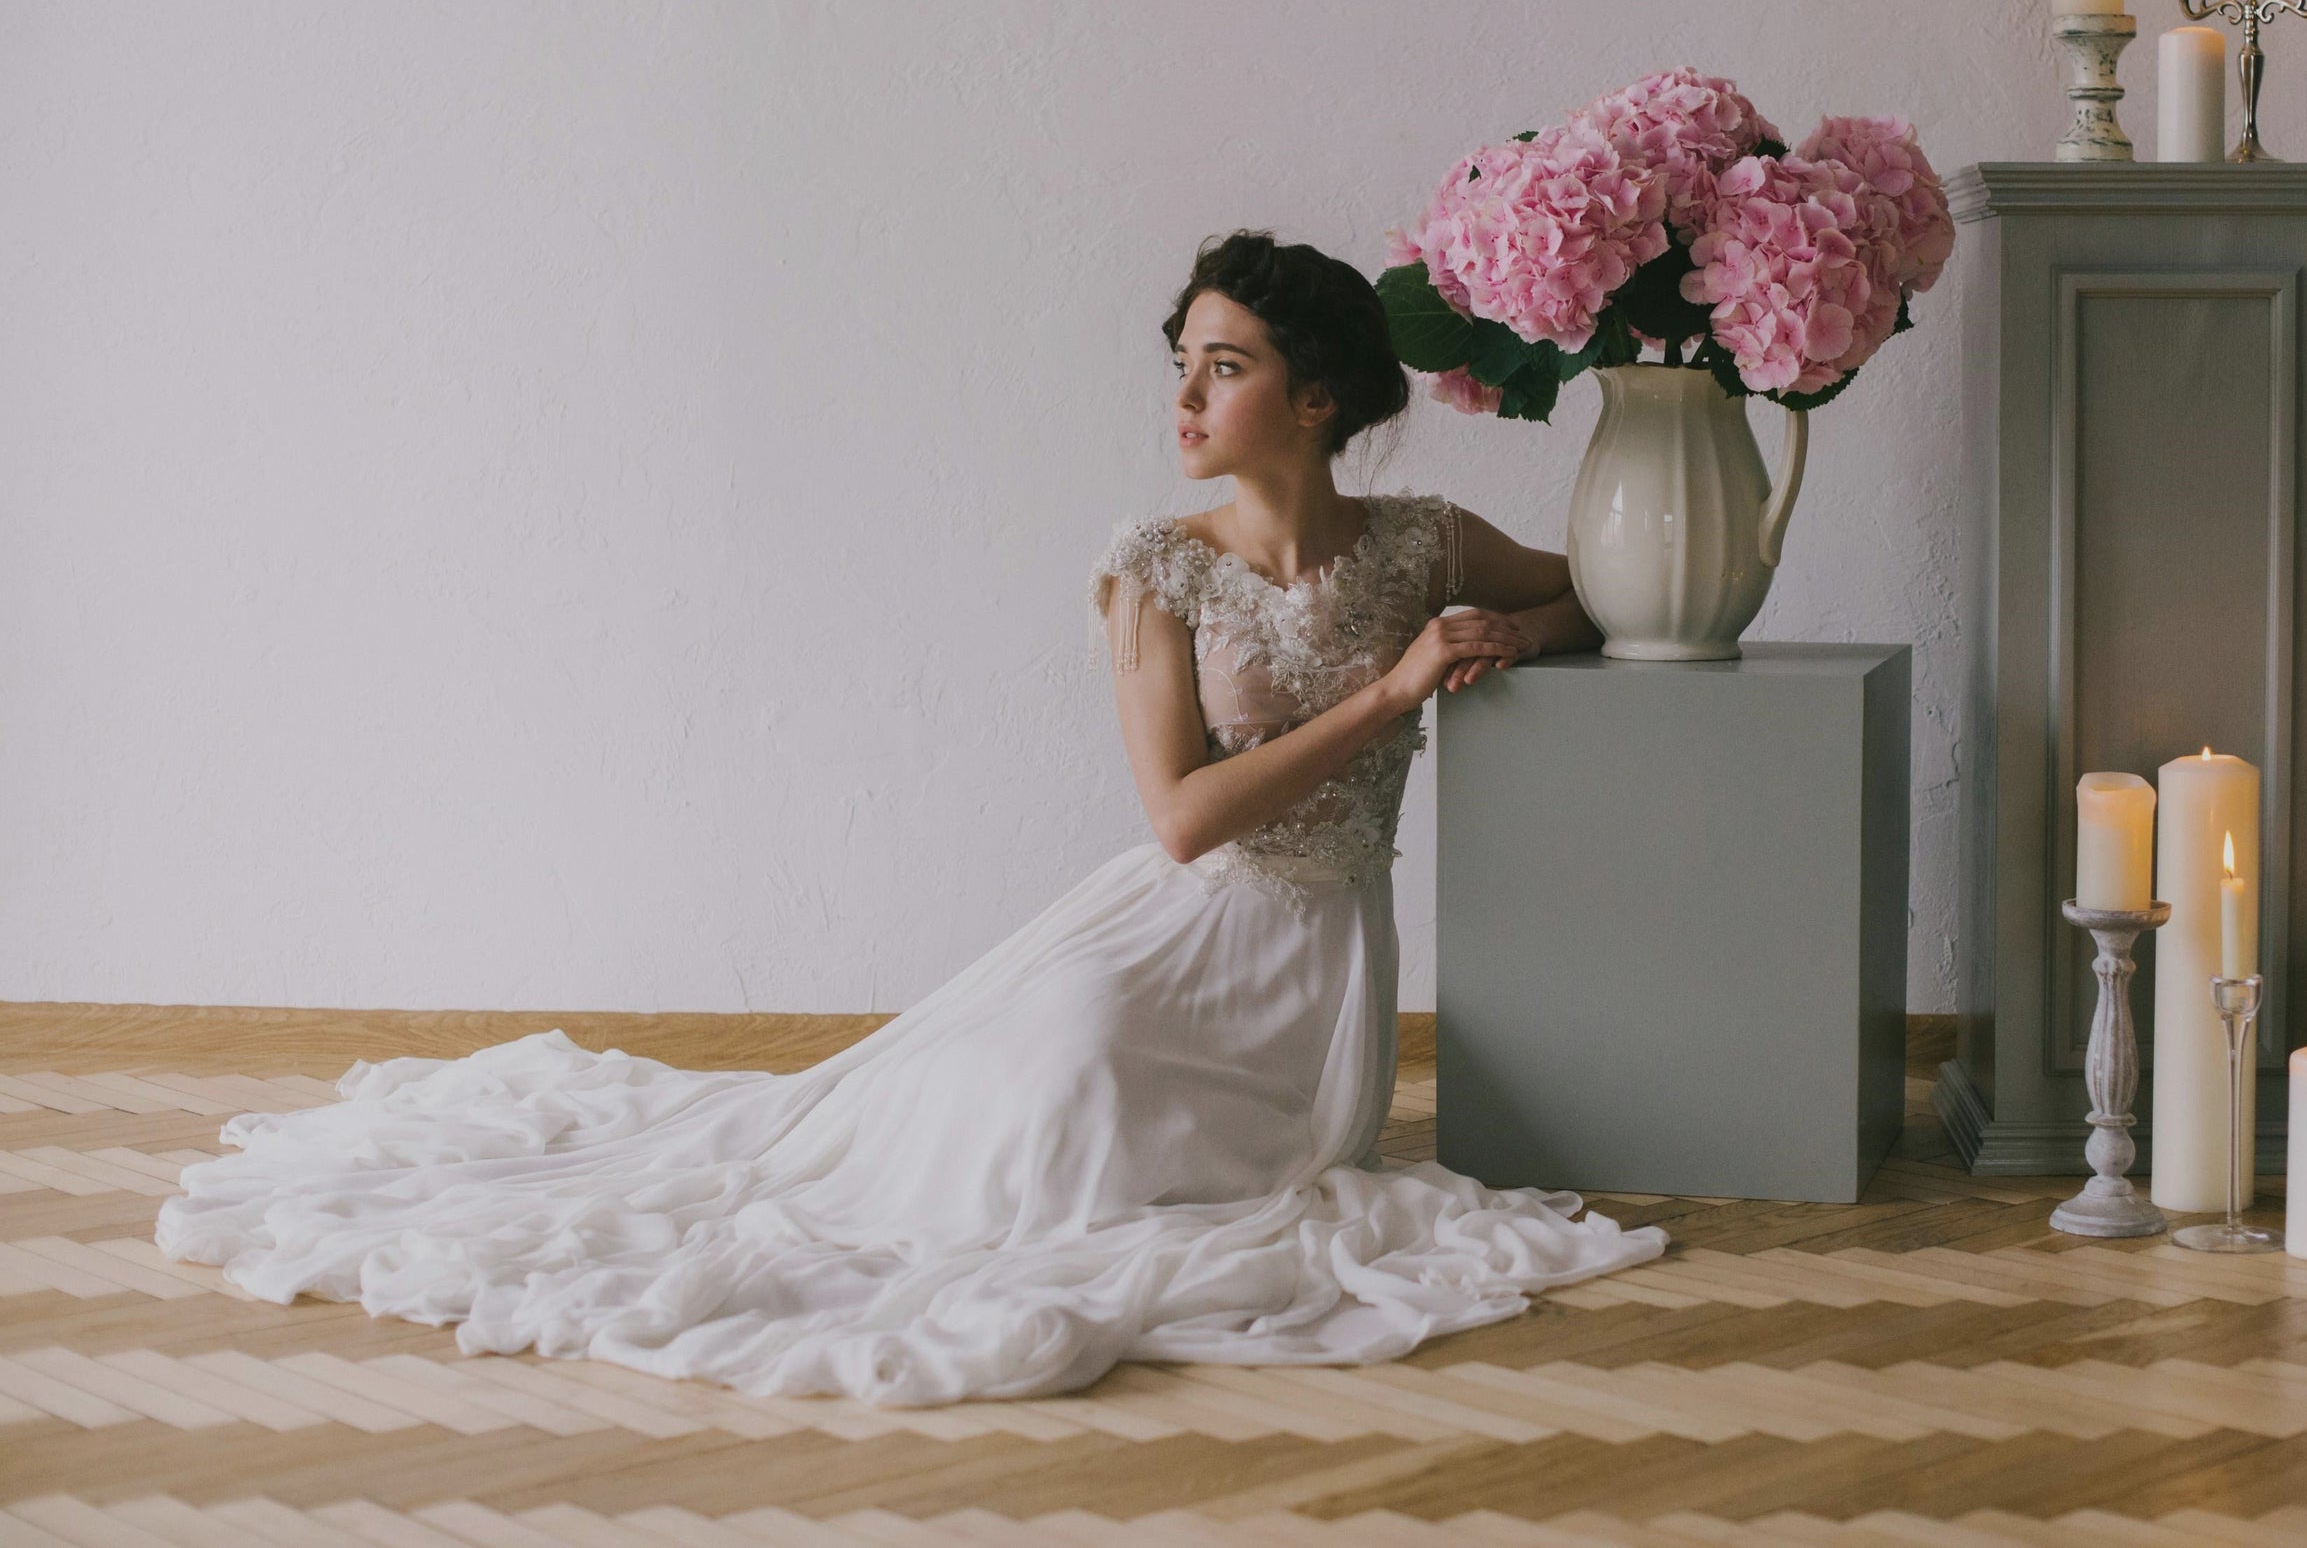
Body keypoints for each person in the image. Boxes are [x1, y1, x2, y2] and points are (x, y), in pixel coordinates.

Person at [152, 229, 1667, 1407]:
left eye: (1224, 363)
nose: (1184, 394)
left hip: (1319, 985)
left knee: (1107, 1129)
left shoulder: (1420, 540)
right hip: (1171, 926)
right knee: (1028, 1094)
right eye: (1181, 360)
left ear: (1318, 396)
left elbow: (1598, 592)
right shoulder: (1157, 562)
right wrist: (1393, 691)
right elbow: (1183, 820)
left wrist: (1502, 637)